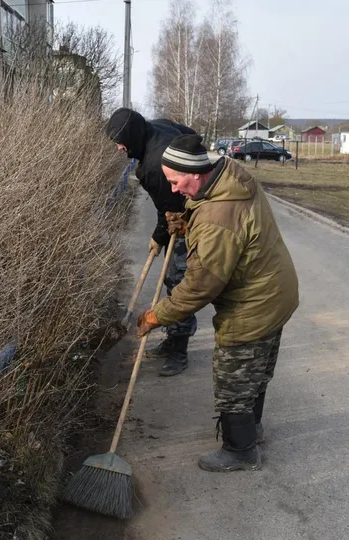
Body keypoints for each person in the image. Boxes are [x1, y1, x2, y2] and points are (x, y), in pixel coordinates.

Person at [136, 134, 299, 472]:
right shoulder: (224, 175)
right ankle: (251, 430)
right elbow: (211, 212)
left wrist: (157, 316)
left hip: (254, 301)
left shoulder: (218, 218)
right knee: (254, 371)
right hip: (275, 291)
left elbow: (199, 286)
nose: (175, 189)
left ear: (195, 173)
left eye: (176, 181)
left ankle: (240, 451)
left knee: (233, 376)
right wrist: (188, 223)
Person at [106, 108, 198, 377]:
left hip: (189, 218)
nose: (119, 148)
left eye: (120, 142)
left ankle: (178, 351)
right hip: (187, 203)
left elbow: (167, 210)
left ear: (132, 136)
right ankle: (173, 341)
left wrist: (159, 237)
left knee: (180, 282)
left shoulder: (154, 166)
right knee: (173, 280)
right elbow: (191, 135)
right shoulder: (157, 127)